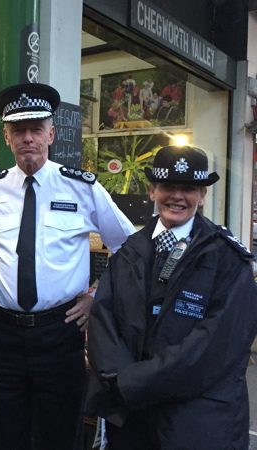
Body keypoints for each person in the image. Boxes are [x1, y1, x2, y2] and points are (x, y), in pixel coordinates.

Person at [0, 83, 136, 450]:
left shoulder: (81, 188)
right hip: (1, 334)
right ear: (7, 137)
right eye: (18, 131)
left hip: (60, 333)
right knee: (4, 434)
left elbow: (128, 246)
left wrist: (96, 298)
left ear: (51, 134)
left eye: (36, 129)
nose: (28, 139)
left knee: (59, 435)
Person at [85, 145, 257, 449]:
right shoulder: (128, 251)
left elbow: (215, 345)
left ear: (202, 195)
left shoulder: (229, 259)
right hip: (130, 418)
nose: (177, 196)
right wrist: (120, 381)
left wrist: (136, 382)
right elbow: (103, 322)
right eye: (168, 186)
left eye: (188, 188)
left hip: (197, 421)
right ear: (152, 190)